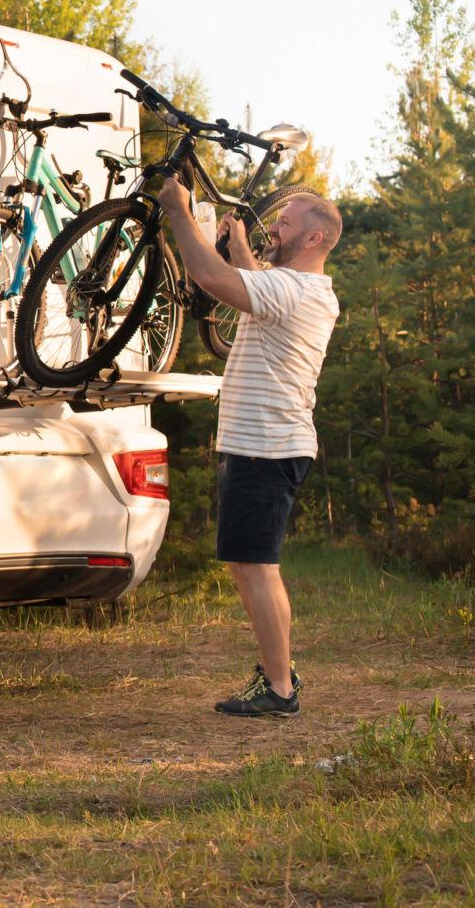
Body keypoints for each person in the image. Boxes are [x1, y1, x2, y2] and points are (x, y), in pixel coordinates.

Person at [158, 178, 342, 717]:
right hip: (263, 443)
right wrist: (241, 248)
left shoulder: (296, 291)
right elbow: (254, 280)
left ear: (313, 239)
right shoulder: (297, 288)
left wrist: (178, 212)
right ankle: (277, 674)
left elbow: (210, 277)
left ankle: (280, 689)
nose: (274, 227)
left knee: (257, 566)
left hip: (267, 445)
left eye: (286, 223)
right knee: (248, 563)